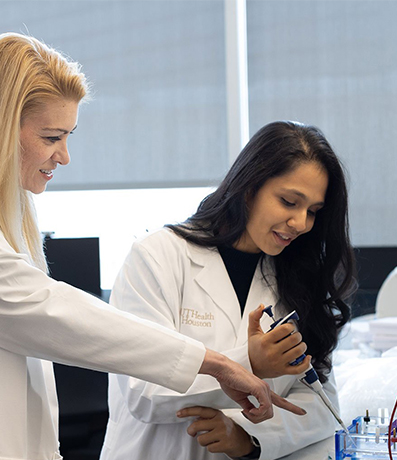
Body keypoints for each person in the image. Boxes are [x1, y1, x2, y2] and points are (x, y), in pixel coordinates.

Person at [0, 33, 305, 460]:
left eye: (68, 135)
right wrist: (215, 362)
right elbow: (50, 312)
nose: (64, 156)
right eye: (51, 137)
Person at [100, 121, 357, 460]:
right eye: (289, 202)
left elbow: (321, 404)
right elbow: (142, 390)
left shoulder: (295, 278)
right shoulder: (157, 257)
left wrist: (249, 438)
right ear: (249, 187)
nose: (301, 223)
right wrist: (249, 364)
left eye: (312, 211)